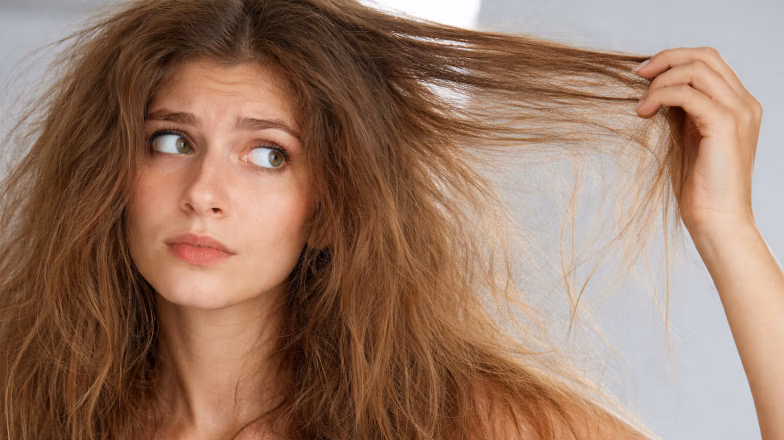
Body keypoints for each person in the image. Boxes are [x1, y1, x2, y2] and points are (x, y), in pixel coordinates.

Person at [0, 0, 775, 439]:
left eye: (269, 154)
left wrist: (726, 228)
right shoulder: (27, 402)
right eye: (172, 141)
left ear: (333, 207)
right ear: (106, 176)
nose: (204, 190)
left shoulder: (455, 418)